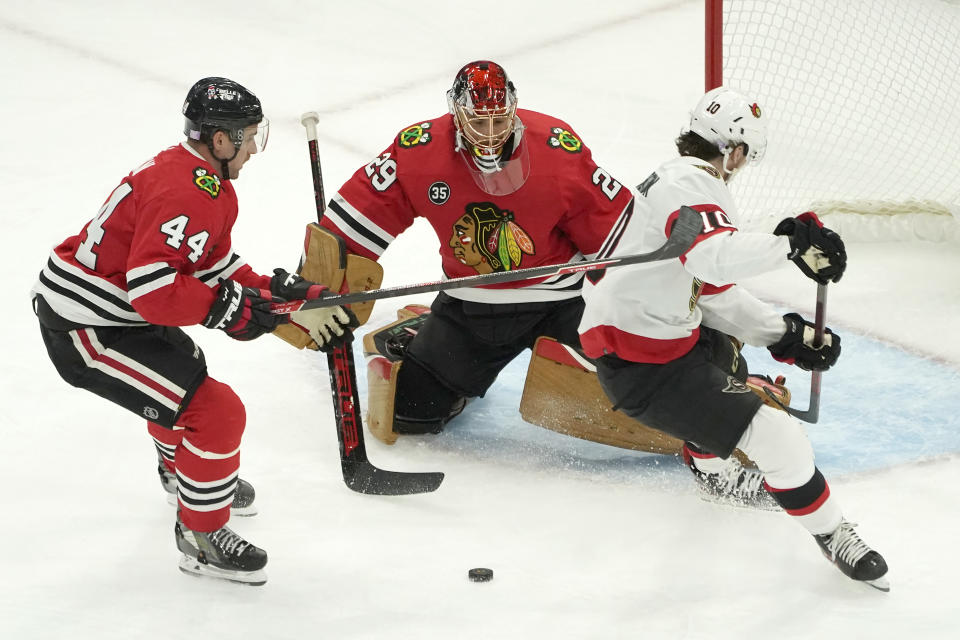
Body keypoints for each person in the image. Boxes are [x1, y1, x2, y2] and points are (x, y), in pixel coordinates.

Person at [30, 77, 355, 586]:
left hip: (119, 314)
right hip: (88, 327)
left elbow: (210, 266)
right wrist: (238, 311)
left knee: (186, 377)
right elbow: (155, 290)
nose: (253, 147)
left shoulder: (200, 178)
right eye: (248, 136)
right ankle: (200, 536)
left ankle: (182, 474)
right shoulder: (188, 190)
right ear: (220, 140)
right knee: (216, 410)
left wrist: (281, 294)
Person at [577, 87, 889, 590]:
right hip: (643, 368)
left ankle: (712, 470)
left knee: (726, 350)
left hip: (648, 341)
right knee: (779, 437)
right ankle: (834, 535)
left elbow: (712, 291)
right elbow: (713, 257)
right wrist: (792, 244)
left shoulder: (675, 182)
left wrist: (785, 334)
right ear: (735, 150)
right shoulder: (688, 183)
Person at [315, 60, 635, 438]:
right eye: (478, 122)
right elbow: (350, 225)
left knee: (637, 383)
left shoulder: (556, 146)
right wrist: (318, 287)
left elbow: (617, 230)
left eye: (499, 121)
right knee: (412, 414)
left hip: (563, 299)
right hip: (472, 306)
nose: (489, 134)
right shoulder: (419, 150)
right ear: (456, 113)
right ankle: (415, 333)